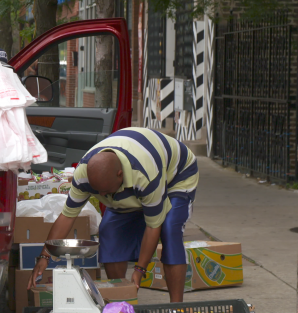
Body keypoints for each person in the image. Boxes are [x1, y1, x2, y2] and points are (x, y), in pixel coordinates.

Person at [27, 127, 199, 303]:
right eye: (99, 192)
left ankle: (176, 306)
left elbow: (153, 226)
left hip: (176, 175)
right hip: (135, 177)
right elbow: (67, 216)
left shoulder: (145, 175)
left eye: (107, 191)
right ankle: (121, 302)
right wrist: (44, 256)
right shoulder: (83, 174)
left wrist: (140, 270)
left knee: (170, 229)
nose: (105, 197)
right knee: (109, 231)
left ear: (120, 175)